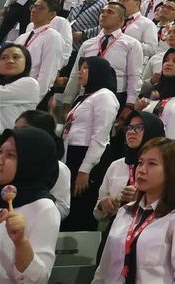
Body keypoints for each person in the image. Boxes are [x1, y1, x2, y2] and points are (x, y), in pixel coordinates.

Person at [93, 138, 175, 283]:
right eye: (140, 163)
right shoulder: (125, 211)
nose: (141, 170)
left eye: (151, 164)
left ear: (172, 171)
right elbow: (104, 268)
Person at [61, 56, 119, 231]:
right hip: (73, 155)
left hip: (88, 157)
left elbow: (100, 136)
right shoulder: (85, 97)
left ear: (97, 72)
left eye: (86, 68)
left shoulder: (105, 96)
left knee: (82, 208)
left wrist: (85, 169)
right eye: (81, 67)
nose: (80, 71)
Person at [0, 127, 61, 283]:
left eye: (10, 155)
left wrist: (21, 242)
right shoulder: (3, 195)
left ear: (31, 161)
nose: (0, 159)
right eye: (0, 152)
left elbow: (38, 279)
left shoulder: (44, 208)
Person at [94, 112, 165, 222]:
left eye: (139, 127)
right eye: (129, 127)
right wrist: (102, 205)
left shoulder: (166, 166)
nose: (131, 131)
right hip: (116, 232)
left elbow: (173, 207)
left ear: (152, 131)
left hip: (153, 231)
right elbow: (97, 214)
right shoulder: (116, 165)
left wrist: (142, 200)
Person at [14, 110, 71, 220]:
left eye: (25, 129)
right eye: (16, 130)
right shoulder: (8, 162)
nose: (18, 135)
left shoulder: (58, 168)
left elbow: (63, 209)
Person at [0, 44, 39, 132]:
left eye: (16, 57)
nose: (10, 61)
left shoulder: (29, 84)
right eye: (4, 58)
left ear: (26, 62)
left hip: (11, 140)